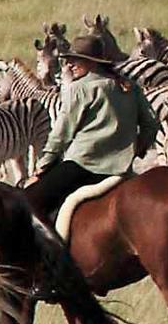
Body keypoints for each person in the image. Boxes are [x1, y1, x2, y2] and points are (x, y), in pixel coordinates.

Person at [26, 44, 160, 229]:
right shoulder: (130, 87)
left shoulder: (80, 89)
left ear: (93, 63)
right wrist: (138, 149)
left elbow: (61, 134)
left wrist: (40, 169)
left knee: (28, 203)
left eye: (75, 60)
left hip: (82, 164)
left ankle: (50, 253)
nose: (69, 65)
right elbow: (151, 125)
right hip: (122, 168)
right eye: (68, 60)